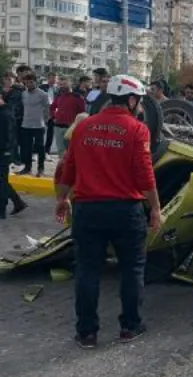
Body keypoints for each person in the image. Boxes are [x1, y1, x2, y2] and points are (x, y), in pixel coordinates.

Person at [55, 74, 161, 349]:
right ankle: (130, 326)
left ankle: (87, 333)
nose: (139, 107)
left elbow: (69, 168)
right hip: (125, 211)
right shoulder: (138, 130)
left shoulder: (84, 127)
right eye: (138, 101)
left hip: (88, 210)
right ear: (131, 99)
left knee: (88, 271)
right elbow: (145, 174)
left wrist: (62, 199)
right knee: (131, 270)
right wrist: (156, 209)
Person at [0, 96, 26, 219]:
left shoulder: (5, 114)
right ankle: (18, 202)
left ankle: (3, 209)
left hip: (4, 152)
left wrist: (6, 152)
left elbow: (9, 136)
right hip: (4, 151)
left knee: (2, 181)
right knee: (2, 181)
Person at [19, 73, 49, 177]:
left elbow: (47, 110)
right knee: (27, 148)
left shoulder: (43, 94)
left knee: (40, 148)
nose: (29, 84)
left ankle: (41, 168)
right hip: (26, 125)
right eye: (27, 82)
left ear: (35, 82)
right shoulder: (23, 94)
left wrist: (45, 122)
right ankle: (27, 168)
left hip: (38, 125)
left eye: (31, 82)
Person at [50, 76, 85, 158]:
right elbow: (51, 108)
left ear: (70, 83)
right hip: (58, 127)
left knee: (71, 151)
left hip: (71, 127)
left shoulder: (78, 97)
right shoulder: (59, 97)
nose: (62, 86)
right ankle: (63, 169)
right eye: (60, 84)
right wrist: (54, 117)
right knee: (61, 151)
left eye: (65, 84)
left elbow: (83, 113)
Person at [2, 71, 24, 166]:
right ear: (3, 79)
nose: (9, 81)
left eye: (11, 79)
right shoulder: (1, 90)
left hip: (13, 119)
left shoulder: (17, 91)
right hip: (2, 119)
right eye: (7, 79)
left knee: (13, 139)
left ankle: (14, 159)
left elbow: (13, 107)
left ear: (14, 80)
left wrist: (3, 104)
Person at [40, 72, 59, 155]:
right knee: (40, 131)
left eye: (54, 78)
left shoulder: (59, 89)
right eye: (51, 78)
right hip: (43, 110)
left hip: (53, 111)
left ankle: (47, 151)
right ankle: (37, 150)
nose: (53, 80)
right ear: (48, 79)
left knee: (50, 132)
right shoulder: (42, 87)